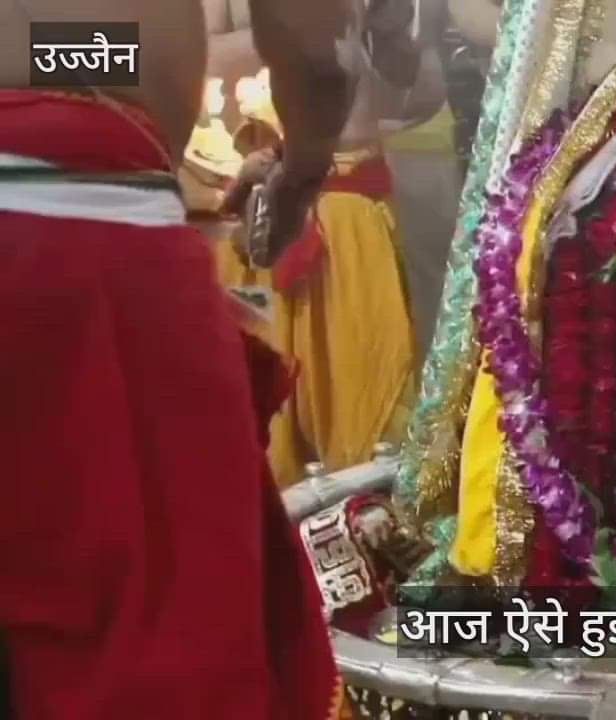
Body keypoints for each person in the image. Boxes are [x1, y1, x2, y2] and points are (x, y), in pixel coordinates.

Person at [0, 0, 357, 716]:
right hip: (75, 233)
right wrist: (306, 163)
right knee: (159, 642)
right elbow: (312, 46)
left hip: (72, 213)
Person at [202, 0, 446, 488]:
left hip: (347, 219)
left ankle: (362, 538)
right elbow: (167, 55)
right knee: (258, 425)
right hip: (248, 220)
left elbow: (419, 95)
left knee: (366, 410)